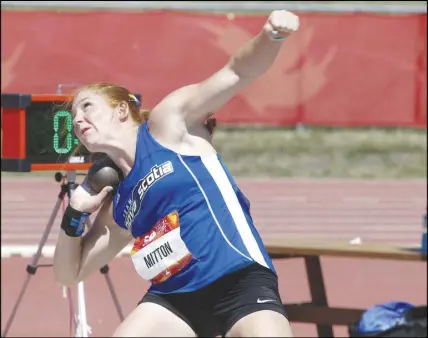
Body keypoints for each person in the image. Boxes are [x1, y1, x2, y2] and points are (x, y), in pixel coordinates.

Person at [53, 9, 299, 337]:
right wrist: (75, 212)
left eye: (87, 106)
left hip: (239, 284)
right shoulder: (121, 199)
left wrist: (272, 36)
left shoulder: (167, 126)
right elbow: (69, 274)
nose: (78, 120)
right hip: (174, 301)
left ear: (122, 109)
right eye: (74, 116)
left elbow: (236, 72)